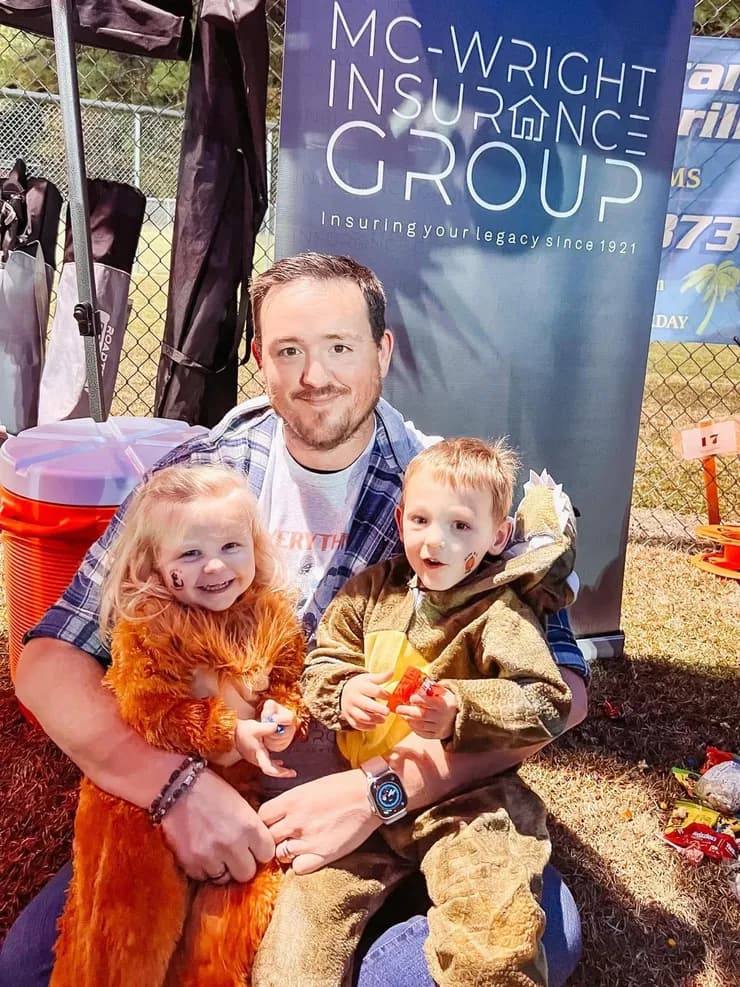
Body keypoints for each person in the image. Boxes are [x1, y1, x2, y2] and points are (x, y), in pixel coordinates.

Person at [1, 252, 589, 987]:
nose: (316, 375)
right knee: (30, 967)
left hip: (389, 816)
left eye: (340, 346)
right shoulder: (199, 478)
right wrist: (171, 787)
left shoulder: (447, 494)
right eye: (289, 350)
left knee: (533, 935)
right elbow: (49, 656)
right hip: (215, 793)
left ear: (383, 351)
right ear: (259, 360)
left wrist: (381, 790)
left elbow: (562, 688)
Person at [253, 438, 576, 987]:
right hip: (355, 805)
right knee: (298, 935)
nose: (435, 541)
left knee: (497, 934)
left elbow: (546, 700)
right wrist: (345, 690)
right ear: (400, 518)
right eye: (422, 519)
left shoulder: (500, 612)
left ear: (497, 537)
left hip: (468, 807)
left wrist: (461, 709)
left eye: (460, 527)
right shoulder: (371, 593)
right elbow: (324, 662)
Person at [52, 464, 307, 987]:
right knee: (126, 934)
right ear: (155, 565)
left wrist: (283, 713)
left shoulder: (273, 619)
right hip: (139, 804)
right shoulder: (151, 626)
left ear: (256, 548)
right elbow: (149, 713)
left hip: (242, 795)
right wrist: (229, 731)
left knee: (227, 936)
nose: (214, 566)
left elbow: (288, 682)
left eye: (232, 547)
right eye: (190, 554)